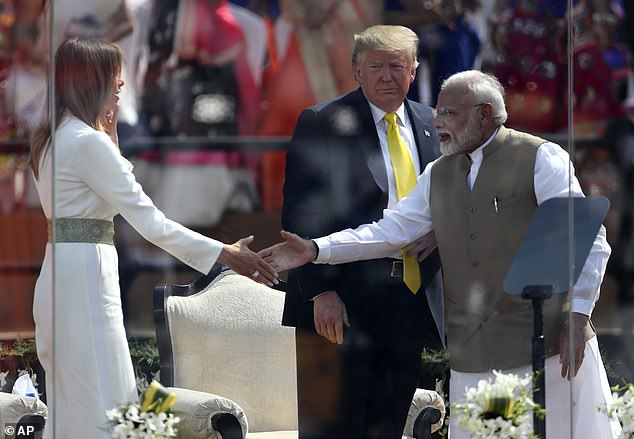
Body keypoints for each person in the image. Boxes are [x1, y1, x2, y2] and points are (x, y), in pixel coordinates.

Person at [262, 70, 622, 438]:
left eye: (450, 113)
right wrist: (316, 249)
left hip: (550, 348)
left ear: (484, 114)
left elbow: (588, 239)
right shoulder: (438, 173)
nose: (437, 123)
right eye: (438, 112)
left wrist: (578, 316)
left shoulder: (540, 157)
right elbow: (390, 232)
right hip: (476, 353)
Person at [28, 37, 277, 439]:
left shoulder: (53, 138)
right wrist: (224, 253)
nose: (121, 89)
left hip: (59, 274)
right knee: (109, 398)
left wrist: (111, 142)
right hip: (87, 278)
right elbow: (151, 223)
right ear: (93, 82)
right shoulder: (88, 143)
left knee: (72, 399)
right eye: (116, 82)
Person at [280, 25, 445, 439]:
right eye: (376, 67)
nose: (386, 76)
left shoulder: (432, 123)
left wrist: (441, 232)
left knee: (386, 426)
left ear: (414, 70)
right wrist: (320, 292)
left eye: (397, 66)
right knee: (332, 428)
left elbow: (452, 196)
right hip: (342, 301)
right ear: (357, 70)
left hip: (407, 298)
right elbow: (300, 211)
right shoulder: (323, 121)